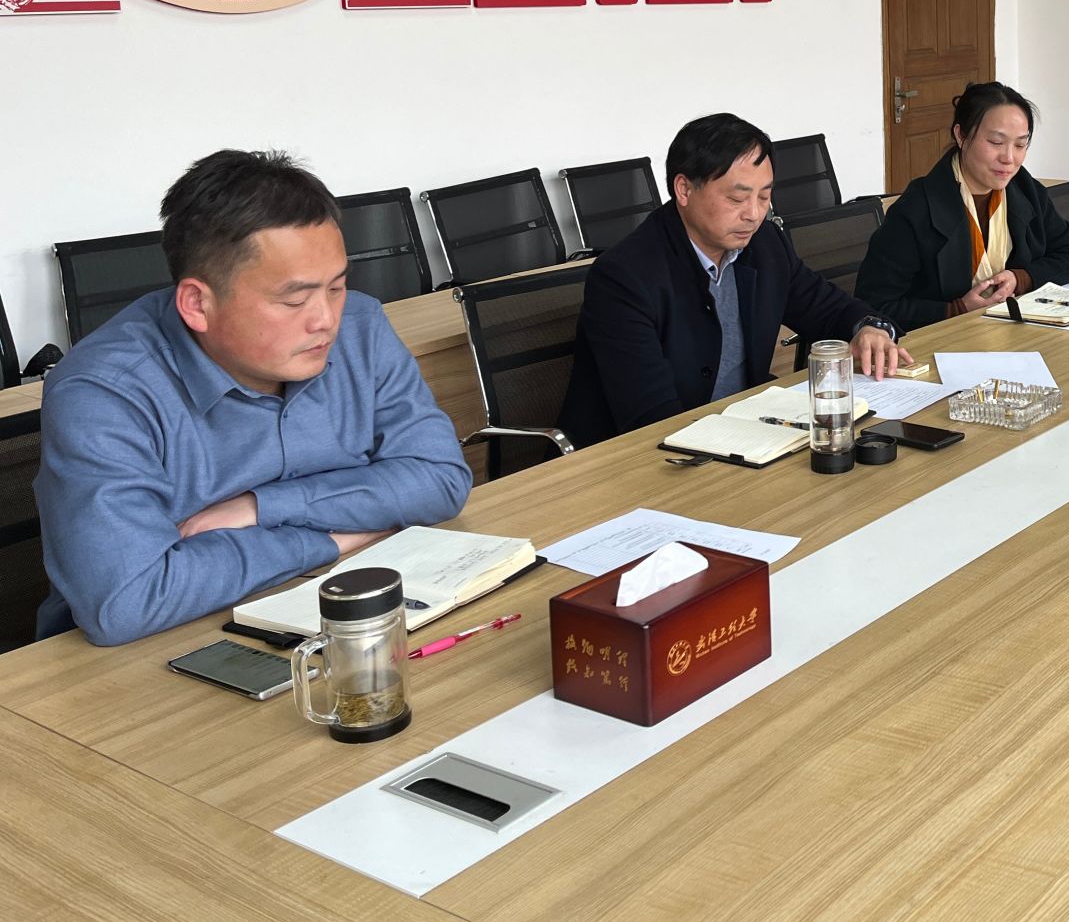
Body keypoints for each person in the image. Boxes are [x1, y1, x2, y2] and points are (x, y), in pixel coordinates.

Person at [34, 150, 470, 647]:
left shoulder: (360, 326)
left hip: (330, 609)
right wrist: (335, 537)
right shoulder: (104, 393)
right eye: (294, 299)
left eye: (337, 287)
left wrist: (261, 507)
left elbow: (440, 479)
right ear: (198, 304)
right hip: (145, 653)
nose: (326, 320)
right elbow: (129, 601)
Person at [558, 114, 914, 447]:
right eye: (737, 198)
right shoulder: (624, 277)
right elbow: (651, 418)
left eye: (764, 196)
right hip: (647, 457)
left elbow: (826, 306)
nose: (754, 214)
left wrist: (868, 328)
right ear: (684, 190)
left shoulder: (766, 245)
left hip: (746, 433)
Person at [856, 81, 1069, 333]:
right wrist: (956, 309)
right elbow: (874, 306)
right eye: (996, 142)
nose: (1009, 158)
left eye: (1020, 145)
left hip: (1014, 332)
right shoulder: (916, 209)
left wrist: (1021, 278)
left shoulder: (1023, 189)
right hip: (943, 340)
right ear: (961, 135)